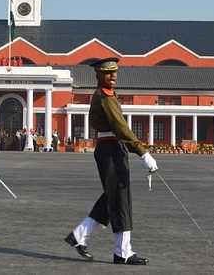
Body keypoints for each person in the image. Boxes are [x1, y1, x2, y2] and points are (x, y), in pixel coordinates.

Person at [65, 57, 158, 265]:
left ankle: (80, 235)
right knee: (120, 199)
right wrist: (142, 152)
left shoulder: (105, 95)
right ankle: (122, 251)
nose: (113, 76)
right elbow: (120, 127)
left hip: (111, 148)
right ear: (98, 75)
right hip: (110, 149)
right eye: (107, 73)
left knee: (114, 196)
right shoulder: (105, 97)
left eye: (114, 72)